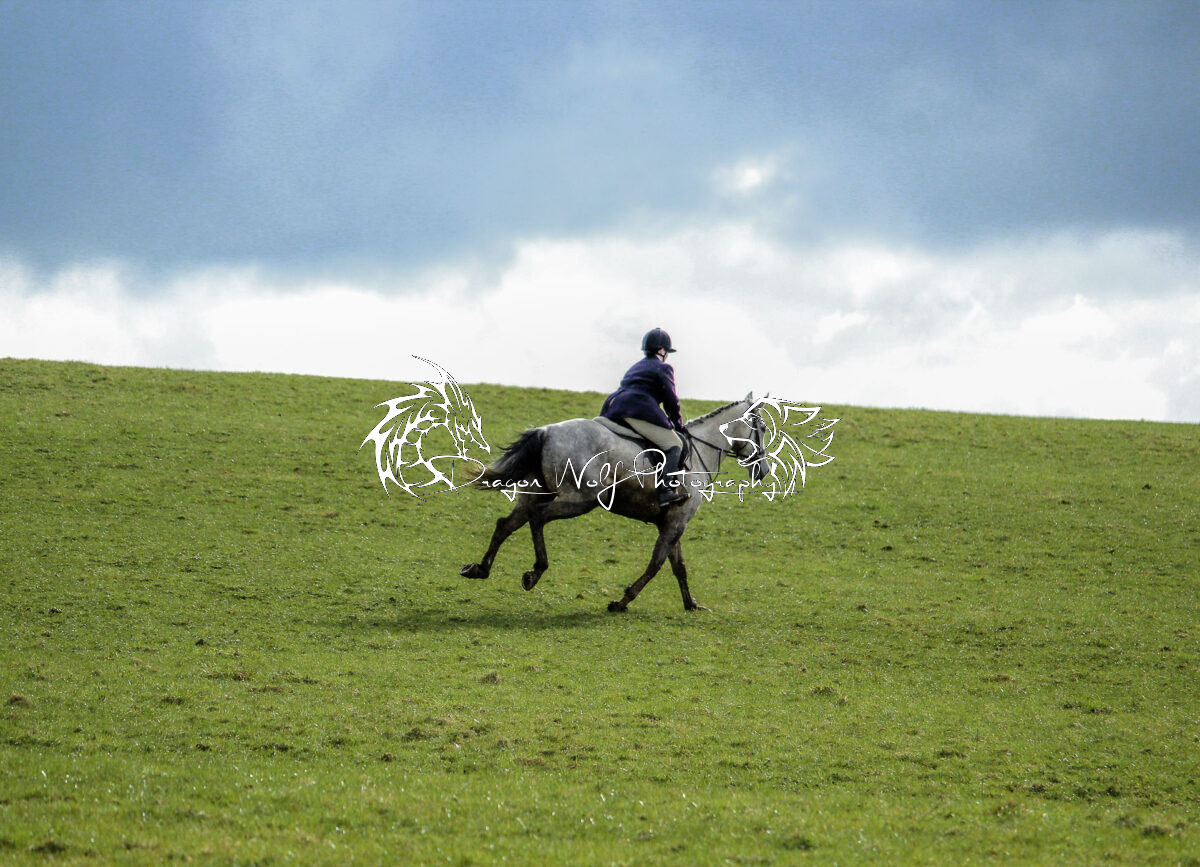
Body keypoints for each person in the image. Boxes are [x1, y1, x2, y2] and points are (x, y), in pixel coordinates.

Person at [601, 327, 690, 506]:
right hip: (637, 410)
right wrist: (678, 424)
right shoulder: (664, 367)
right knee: (675, 444)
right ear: (662, 350)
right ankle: (666, 490)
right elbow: (671, 400)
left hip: (614, 407)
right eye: (667, 351)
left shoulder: (637, 365)